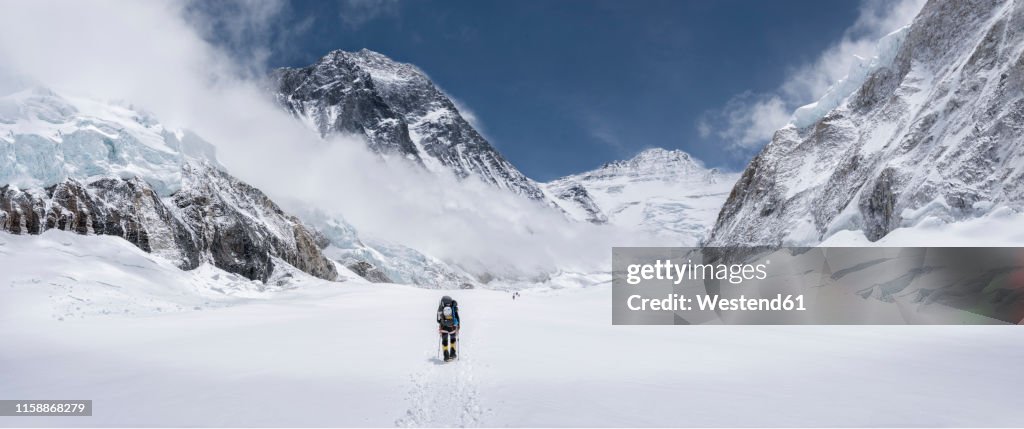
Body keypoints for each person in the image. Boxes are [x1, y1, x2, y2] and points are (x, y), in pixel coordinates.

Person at [436, 295, 460, 362]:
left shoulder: (440, 308)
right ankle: (452, 354)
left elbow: (438, 320)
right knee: (453, 339)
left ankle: (446, 356)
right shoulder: (453, 307)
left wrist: (442, 322)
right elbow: (457, 317)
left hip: (443, 327)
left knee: (445, 341)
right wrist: (458, 326)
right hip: (452, 327)